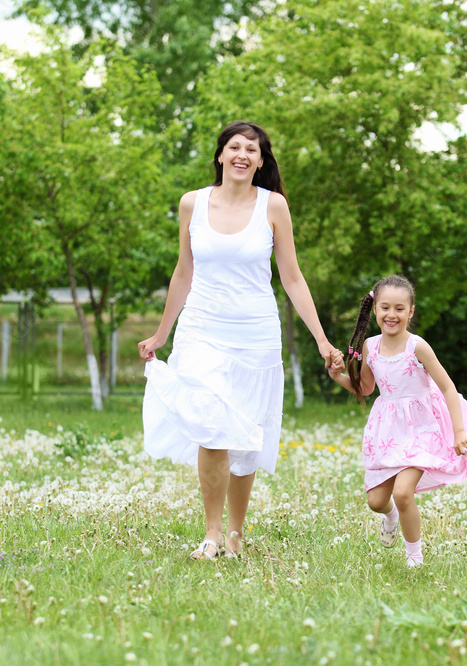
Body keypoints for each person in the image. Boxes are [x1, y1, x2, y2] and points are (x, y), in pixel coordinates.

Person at [138, 120, 342, 561]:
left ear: (261, 162)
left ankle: (234, 534)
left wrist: (322, 341)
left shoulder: (274, 206)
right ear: (220, 155)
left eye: (252, 149)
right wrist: (161, 333)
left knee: (245, 438)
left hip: (255, 334)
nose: (243, 154)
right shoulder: (191, 204)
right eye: (235, 146)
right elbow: (183, 272)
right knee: (212, 427)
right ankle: (211, 535)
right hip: (201, 330)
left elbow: (291, 276)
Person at [327, 275, 467, 567]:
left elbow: (447, 388)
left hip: (421, 429)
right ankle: (390, 517)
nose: (392, 315)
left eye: (399, 309)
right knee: (377, 501)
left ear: (411, 311)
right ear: (375, 309)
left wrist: (458, 432)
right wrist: (336, 376)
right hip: (388, 430)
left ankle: (414, 556)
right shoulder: (370, 346)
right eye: (385, 308)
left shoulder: (417, 347)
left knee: (404, 492)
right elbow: (366, 388)